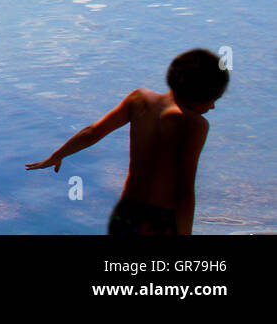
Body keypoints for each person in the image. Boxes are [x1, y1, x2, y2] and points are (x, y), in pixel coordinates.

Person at [26, 48, 228, 235]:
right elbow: (184, 189)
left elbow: (92, 132)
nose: (212, 107)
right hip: (159, 220)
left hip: (126, 212)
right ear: (196, 93)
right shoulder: (194, 124)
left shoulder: (139, 99)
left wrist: (57, 155)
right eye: (212, 99)